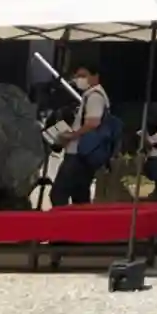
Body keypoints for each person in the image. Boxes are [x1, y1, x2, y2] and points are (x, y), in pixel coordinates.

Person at [49, 63, 111, 207]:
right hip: (85, 153)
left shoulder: (95, 97)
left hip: (78, 153)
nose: (79, 79)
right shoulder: (91, 95)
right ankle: (80, 220)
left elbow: (93, 122)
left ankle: (62, 219)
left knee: (59, 193)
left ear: (95, 76)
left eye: (83, 76)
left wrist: (72, 135)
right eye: (77, 76)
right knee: (80, 195)